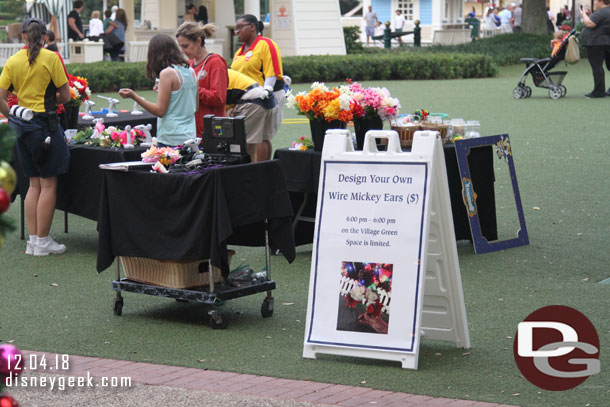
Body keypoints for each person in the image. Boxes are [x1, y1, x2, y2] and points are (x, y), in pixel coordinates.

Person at [0, 18, 71, 256]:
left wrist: (12, 114)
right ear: (44, 36)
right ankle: (42, 241)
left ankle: (34, 241)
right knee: (48, 184)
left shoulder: (13, 60)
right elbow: (67, 95)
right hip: (45, 125)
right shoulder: (50, 58)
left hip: (21, 127)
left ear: (22, 37)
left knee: (33, 183)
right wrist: (52, 103)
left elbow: (0, 95)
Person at [119, 34, 198, 147]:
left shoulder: (167, 73)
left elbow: (160, 111)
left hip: (170, 139)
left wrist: (134, 96)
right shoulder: (191, 71)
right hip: (190, 136)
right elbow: (195, 107)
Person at [231, 14, 285, 162]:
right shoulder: (238, 52)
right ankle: (254, 169)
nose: (237, 31)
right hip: (246, 100)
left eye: (240, 27)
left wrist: (267, 90)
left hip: (266, 97)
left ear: (252, 27)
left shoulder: (266, 44)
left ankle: (262, 169)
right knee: (249, 139)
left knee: (262, 137)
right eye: (236, 29)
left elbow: (272, 71)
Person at [175, 22, 228, 137]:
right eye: (181, 47)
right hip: (192, 128)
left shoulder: (215, 62)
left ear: (198, 41)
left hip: (212, 129)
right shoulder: (188, 64)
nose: (183, 51)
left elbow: (219, 99)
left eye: (185, 46)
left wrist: (192, 88)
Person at [226, 69, 276, 162]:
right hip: (263, 95)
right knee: (263, 140)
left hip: (252, 100)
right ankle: (265, 173)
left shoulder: (211, 74)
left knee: (246, 146)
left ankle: (253, 174)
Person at [580, 0, 610, 98]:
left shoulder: (602, 11)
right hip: (605, 42)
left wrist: (583, 14)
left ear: (601, 1)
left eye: (596, 1)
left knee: (597, 67)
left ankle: (599, 92)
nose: (595, 3)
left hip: (595, 43)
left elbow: (589, 24)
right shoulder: (606, 11)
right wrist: (591, 15)